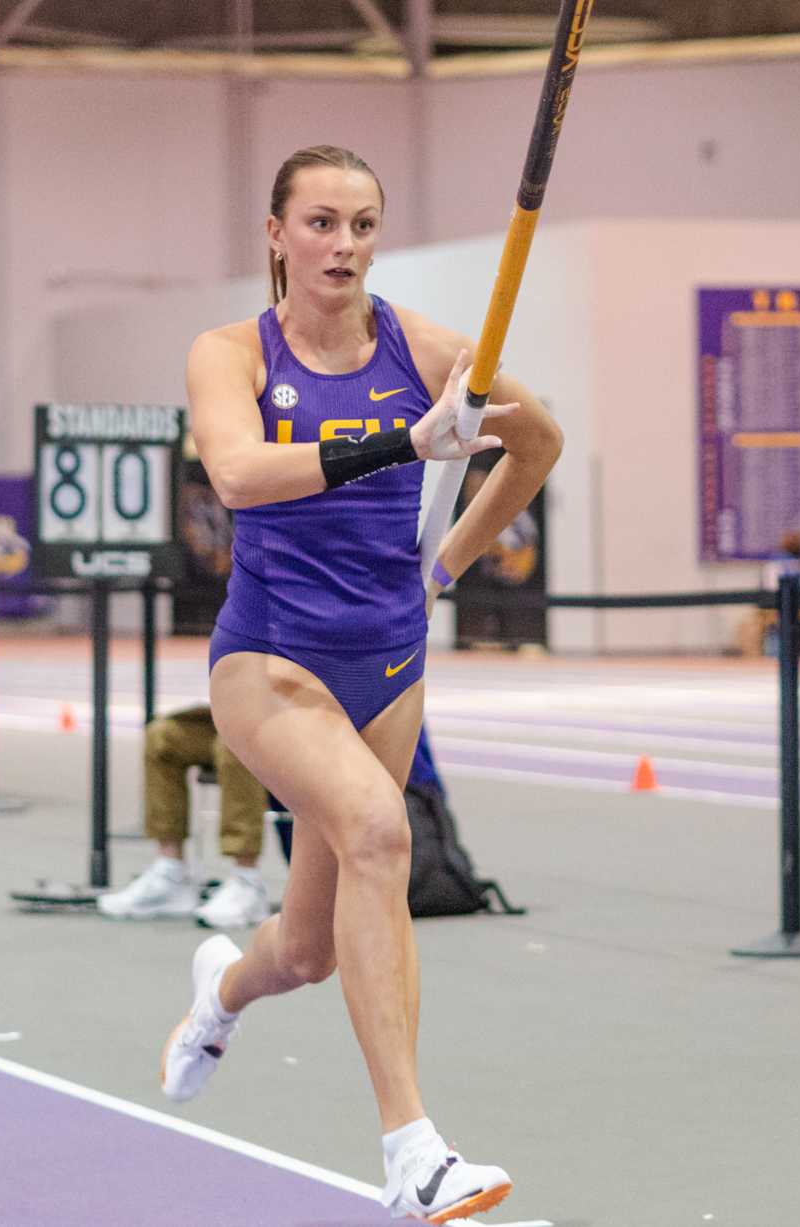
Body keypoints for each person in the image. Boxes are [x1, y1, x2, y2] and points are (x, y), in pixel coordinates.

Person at [168, 145, 562, 1223]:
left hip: (389, 664)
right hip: (272, 660)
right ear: (275, 232)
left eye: (362, 225)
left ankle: (221, 993)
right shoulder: (230, 353)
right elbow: (241, 474)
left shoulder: (431, 350)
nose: (344, 246)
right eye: (322, 223)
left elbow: (537, 444)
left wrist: (448, 564)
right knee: (381, 834)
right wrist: (403, 440)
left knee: (301, 950)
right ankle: (412, 1149)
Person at [98, 704, 275, 931]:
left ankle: (247, 881)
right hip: (225, 712)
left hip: (281, 720)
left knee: (235, 743)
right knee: (161, 736)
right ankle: (171, 873)